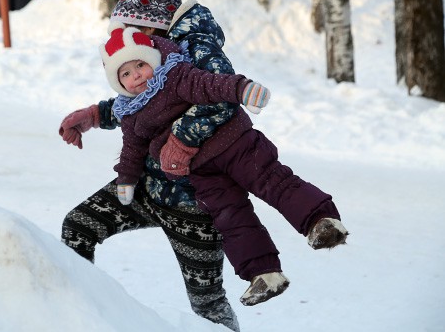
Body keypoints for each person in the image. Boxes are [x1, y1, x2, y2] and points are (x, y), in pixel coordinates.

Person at [99, 23, 348, 305]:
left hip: (233, 141)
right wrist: (126, 178)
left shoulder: (175, 75)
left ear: (152, 59)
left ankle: (322, 222)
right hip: (201, 171)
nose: (136, 76)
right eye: (126, 74)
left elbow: (210, 85)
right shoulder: (131, 113)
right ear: (118, 82)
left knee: (272, 182)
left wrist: (242, 89)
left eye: (140, 64)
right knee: (229, 217)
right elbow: (132, 149)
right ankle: (264, 274)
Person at [60, 0, 242, 331]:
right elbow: (144, 103)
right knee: (77, 228)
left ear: (150, 26)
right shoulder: (156, 51)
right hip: (147, 187)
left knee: (209, 307)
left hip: (194, 203)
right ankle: (82, 320)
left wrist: (182, 140)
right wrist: (95, 114)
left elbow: (225, 97)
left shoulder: (197, 45)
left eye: (129, 31)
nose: (126, 41)